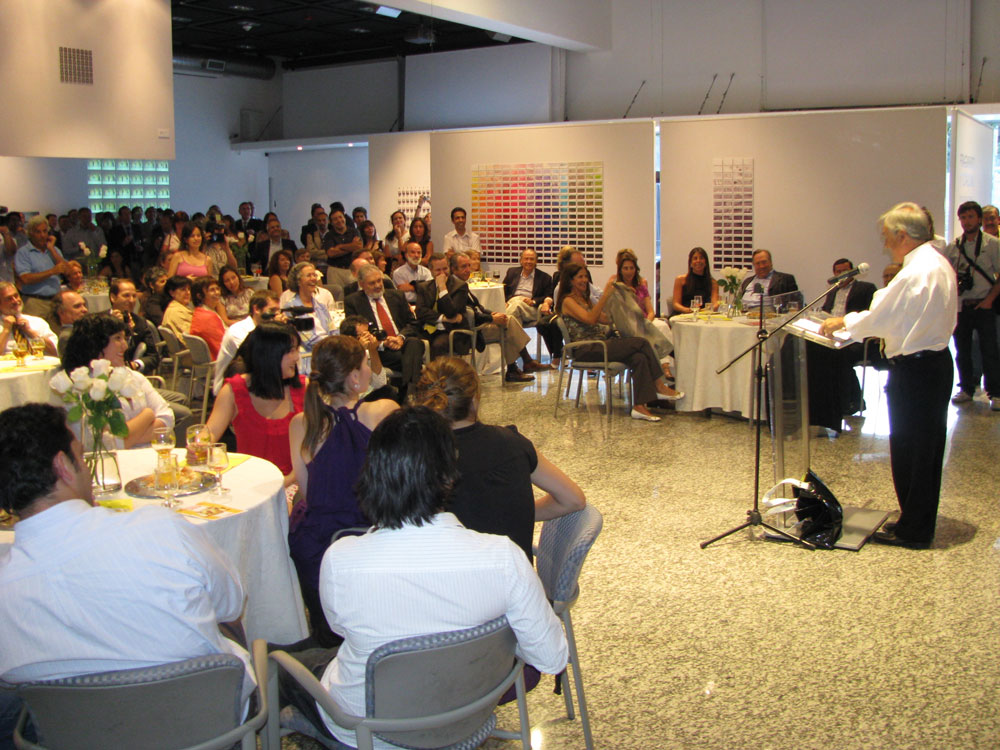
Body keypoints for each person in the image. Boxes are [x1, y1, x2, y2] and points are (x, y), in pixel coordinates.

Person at [285, 406, 567, 749]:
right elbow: (552, 657)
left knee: (281, 667)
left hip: (367, 729)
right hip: (467, 717)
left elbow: (340, 630)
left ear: (373, 474)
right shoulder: (504, 559)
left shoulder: (341, 559)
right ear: (449, 476)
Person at [0, 403, 256, 747]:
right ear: (63, 466)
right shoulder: (160, 529)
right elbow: (231, 602)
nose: (87, 469)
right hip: (207, 727)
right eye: (81, 456)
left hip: (80, 738)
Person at [820, 202, 957, 548]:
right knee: (920, 448)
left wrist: (843, 322)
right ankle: (914, 519)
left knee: (914, 449)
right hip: (931, 364)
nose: (884, 243)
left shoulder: (917, 270)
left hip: (917, 369)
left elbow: (882, 316)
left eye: (886, 236)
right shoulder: (935, 262)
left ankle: (915, 530)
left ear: (902, 235)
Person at [287, 335, 398, 646]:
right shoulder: (384, 410)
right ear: (354, 378)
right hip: (376, 537)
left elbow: (307, 491)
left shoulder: (301, 423)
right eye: (366, 364)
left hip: (323, 552)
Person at [415, 356, 585, 558]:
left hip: (450, 573)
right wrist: (514, 513)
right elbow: (572, 500)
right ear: (475, 398)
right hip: (515, 574)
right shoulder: (512, 442)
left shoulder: (417, 456)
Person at [557, 263, 682, 421]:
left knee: (639, 357)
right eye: (580, 277)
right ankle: (659, 385)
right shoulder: (567, 301)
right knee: (642, 343)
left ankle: (640, 406)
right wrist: (605, 296)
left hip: (599, 344)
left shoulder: (585, 299)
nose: (584, 280)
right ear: (570, 280)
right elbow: (590, 319)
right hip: (585, 349)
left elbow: (605, 319)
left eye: (585, 276)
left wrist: (622, 303)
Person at [204, 322, 304, 486]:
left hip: (294, 482)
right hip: (250, 481)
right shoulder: (233, 391)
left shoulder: (304, 389)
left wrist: (287, 481)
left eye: (296, 350)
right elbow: (210, 432)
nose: (296, 357)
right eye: (290, 351)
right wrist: (199, 444)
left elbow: (314, 449)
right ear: (269, 355)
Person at [60, 313, 174, 448]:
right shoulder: (82, 388)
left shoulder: (132, 376)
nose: (125, 346)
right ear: (96, 343)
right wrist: (148, 415)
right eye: (117, 338)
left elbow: (167, 417)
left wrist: (127, 439)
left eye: (124, 338)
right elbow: (103, 444)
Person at [943, 200, 1000, 410]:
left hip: (984, 304)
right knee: (962, 350)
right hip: (962, 305)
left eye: (970, 217)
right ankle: (967, 388)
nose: (967, 222)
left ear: (979, 219)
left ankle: (995, 392)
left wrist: (989, 300)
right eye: (963, 218)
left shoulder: (992, 244)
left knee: (990, 350)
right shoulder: (954, 247)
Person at [343, 263, 426, 402]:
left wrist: (400, 338)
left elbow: (413, 323)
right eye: (372, 283)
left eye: (379, 281)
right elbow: (354, 331)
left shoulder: (397, 295)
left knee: (414, 343)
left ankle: (406, 392)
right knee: (410, 359)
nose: (377, 285)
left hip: (403, 343)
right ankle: (410, 392)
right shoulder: (353, 301)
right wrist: (382, 343)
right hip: (378, 349)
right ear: (361, 284)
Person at [820, 257, 877, 415]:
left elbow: (871, 315)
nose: (841, 275)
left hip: (855, 337)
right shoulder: (832, 291)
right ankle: (826, 400)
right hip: (833, 337)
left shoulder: (865, 288)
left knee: (839, 355)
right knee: (818, 352)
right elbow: (825, 311)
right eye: (838, 272)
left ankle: (852, 401)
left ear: (852, 272)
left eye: (845, 271)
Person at [501, 248, 560, 367]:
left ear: (536, 261)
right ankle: (521, 363)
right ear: (521, 260)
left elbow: (548, 296)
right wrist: (505, 302)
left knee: (515, 307)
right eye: (526, 259)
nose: (528, 261)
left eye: (532, 259)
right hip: (513, 306)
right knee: (513, 317)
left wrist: (533, 301)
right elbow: (503, 290)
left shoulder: (544, 277)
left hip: (531, 308)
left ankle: (513, 363)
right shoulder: (512, 272)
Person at [14, 215, 70, 318]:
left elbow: (68, 271)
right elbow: (25, 278)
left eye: (45, 231)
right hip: (35, 301)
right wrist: (52, 272)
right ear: (31, 234)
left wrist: (52, 249)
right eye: (38, 232)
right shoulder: (23, 252)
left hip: (55, 301)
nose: (42, 235)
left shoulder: (54, 250)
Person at [280, 262, 336, 351]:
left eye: (314, 275)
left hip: (329, 349)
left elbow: (333, 330)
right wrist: (333, 344)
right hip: (308, 353)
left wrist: (339, 342)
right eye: (309, 275)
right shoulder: (291, 309)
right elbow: (308, 341)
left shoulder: (321, 306)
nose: (313, 278)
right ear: (298, 281)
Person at [0, 281, 57, 356]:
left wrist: (31, 332)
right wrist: (6, 330)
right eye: (9, 299)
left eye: (16, 296)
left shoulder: (38, 322)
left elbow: (55, 352)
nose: (15, 301)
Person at [672, 246, 719, 314]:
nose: (698, 261)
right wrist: (688, 310)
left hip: (703, 315)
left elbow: (715, 303)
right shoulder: (680, 280)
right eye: (695, 258)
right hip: (683, 314)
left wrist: (706, 310)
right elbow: (675, 304)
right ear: (690, 263)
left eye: (701, 258)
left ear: (706, 263)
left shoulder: (713, 283)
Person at [189, 277, 227, 359]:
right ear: (199, 296)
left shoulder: (200, 311)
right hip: (220, 360)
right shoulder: (208, 317)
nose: (217, 293)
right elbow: (222, 346)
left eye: (217, 289)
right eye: (212, 290)